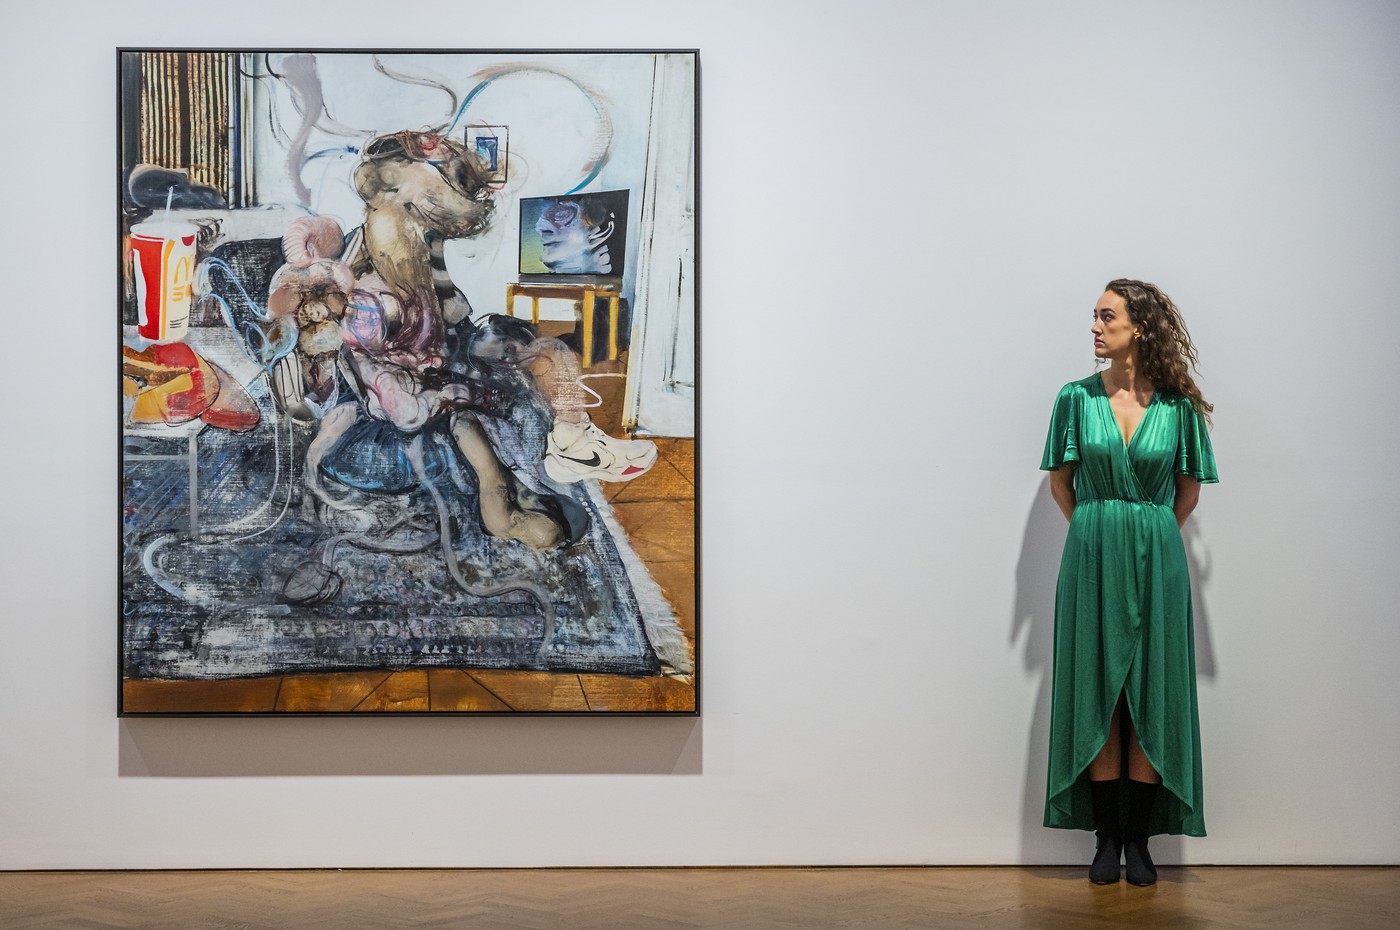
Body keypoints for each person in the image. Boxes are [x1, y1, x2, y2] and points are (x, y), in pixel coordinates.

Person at [1040, 279, 1218, 886]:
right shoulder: (1074, 398)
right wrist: (1097, 532)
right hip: (1090, 558)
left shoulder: (1177, 407)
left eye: (1106, 316)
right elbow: (1060, 484)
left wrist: (1150, 535)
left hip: (1157, 560)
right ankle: (1106, 838)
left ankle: (1138, 840)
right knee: (1099, 692)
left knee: (1150, 695)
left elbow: (1187, 493)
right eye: (1094, 316)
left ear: (1139, 326)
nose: (1094, 326)